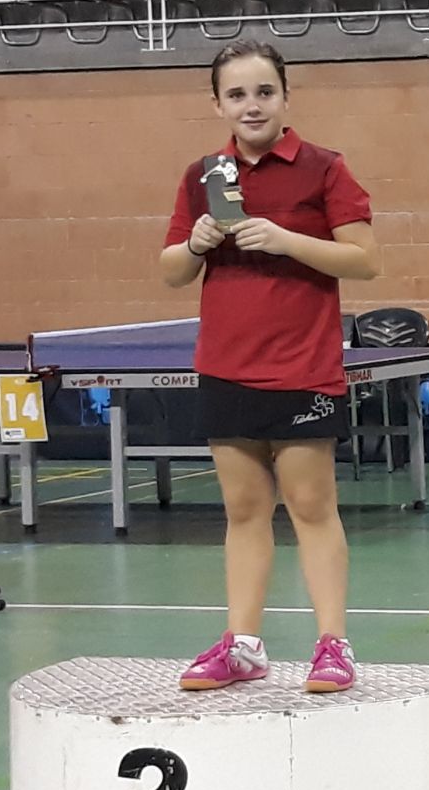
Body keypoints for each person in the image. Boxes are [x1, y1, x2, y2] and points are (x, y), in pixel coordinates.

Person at [161, 41, 379, 691]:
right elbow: (171, 271)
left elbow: (366, 260)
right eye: (237, 95)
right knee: (244, 510)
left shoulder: (323, 169)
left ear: (286, 96)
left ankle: (334, 645)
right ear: (218, 103)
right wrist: (196, 242)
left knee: (312, 507)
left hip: (303, 369)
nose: (251, 105)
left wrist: (285, 240)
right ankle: (243, 646)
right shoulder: (204, 175)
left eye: (263, 92)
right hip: (227, 366)